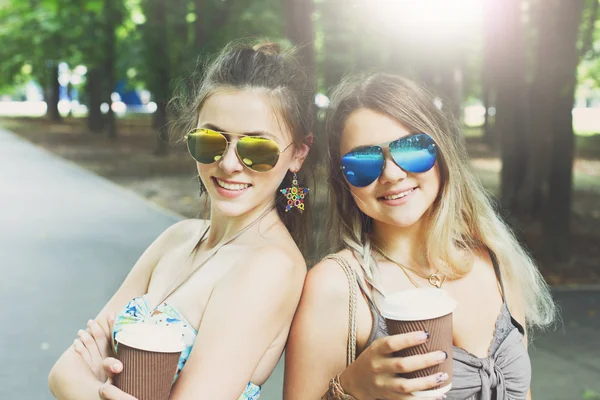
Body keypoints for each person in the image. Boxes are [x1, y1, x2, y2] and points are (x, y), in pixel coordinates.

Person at [48, 40, 314, 400]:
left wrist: (96, 382)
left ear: (298, 153)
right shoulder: (177, 237)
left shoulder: (271, 266)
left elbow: (77, 378)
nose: (230, 163)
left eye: (257, 148)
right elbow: (63, 372)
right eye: (210, 141)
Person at [284, 73, 556, 400]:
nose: (392, 174)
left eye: (412, 149)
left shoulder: (493, 259)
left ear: (441, 154)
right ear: (344, 181)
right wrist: (350, 389)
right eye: (363, 161)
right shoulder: (337, 286)